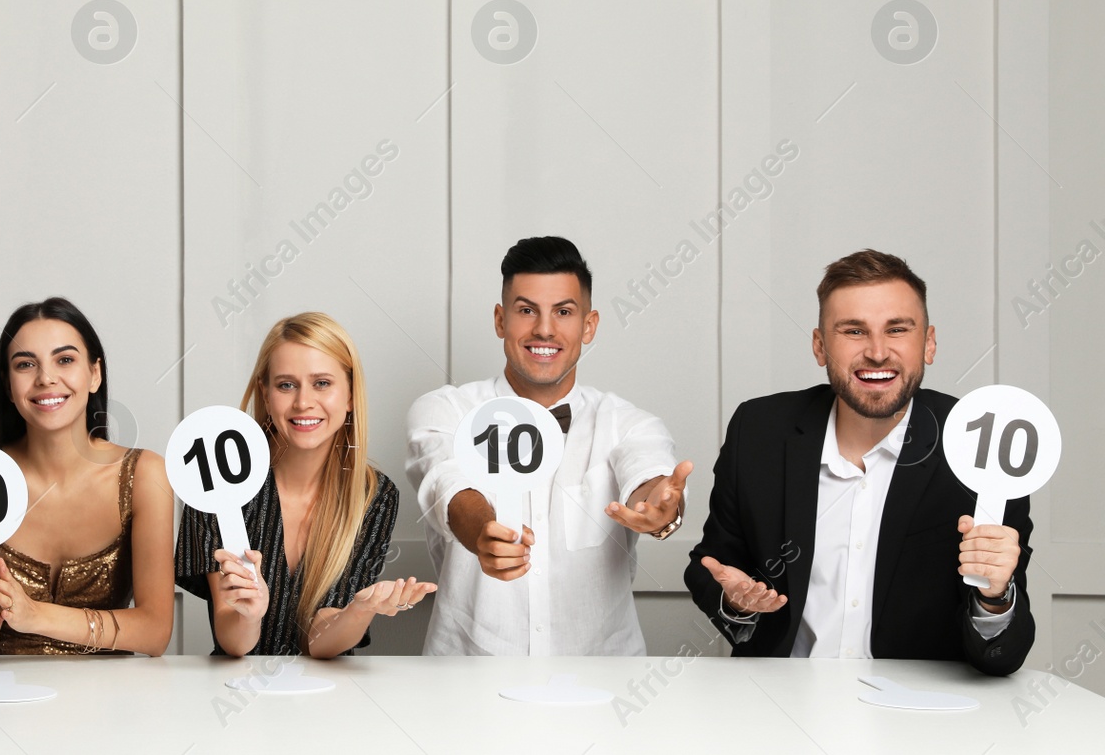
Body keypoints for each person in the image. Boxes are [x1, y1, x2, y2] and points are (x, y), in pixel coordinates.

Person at [685, 249, 1034, 675]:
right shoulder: (757, 431)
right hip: (781, 707)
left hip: (919, 718)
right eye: (853, 331)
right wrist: (734, 601)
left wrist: (994, 596)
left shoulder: (983, 448)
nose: (877, 352)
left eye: (898, 329)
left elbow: (1003, 658)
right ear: (819, 346)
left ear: (928, 343)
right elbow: (712, 564)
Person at [407, 235, 691, 655]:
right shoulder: (444, 411)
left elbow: (648, 475)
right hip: (468, 680)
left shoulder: (628, 423)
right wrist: (484, 531)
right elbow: (447, 483)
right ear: (501, 320)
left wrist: (660, 509)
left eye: (563, 312)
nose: (544, 329)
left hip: (602, 686)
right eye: (526, 311)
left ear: (588, 325)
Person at [0, 298, 173, 657]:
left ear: (94, 374)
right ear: (8, 386)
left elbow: (155, 631)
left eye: (65, 360)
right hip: (1, 700)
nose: (46, 378)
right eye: (25, 364)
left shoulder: (145, 475)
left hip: (113, 702)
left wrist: (35, 615)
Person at [176, 313, 433, 657]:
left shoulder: (374, 497)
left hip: (329, 698)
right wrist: (250, 615)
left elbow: (320, 643)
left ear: (350, 395)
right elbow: (232, 641)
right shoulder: (216, 482)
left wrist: (359, 611)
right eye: (286, 385)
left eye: (322, 383)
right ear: (265, 396)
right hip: (236, 692)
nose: (303, 402)